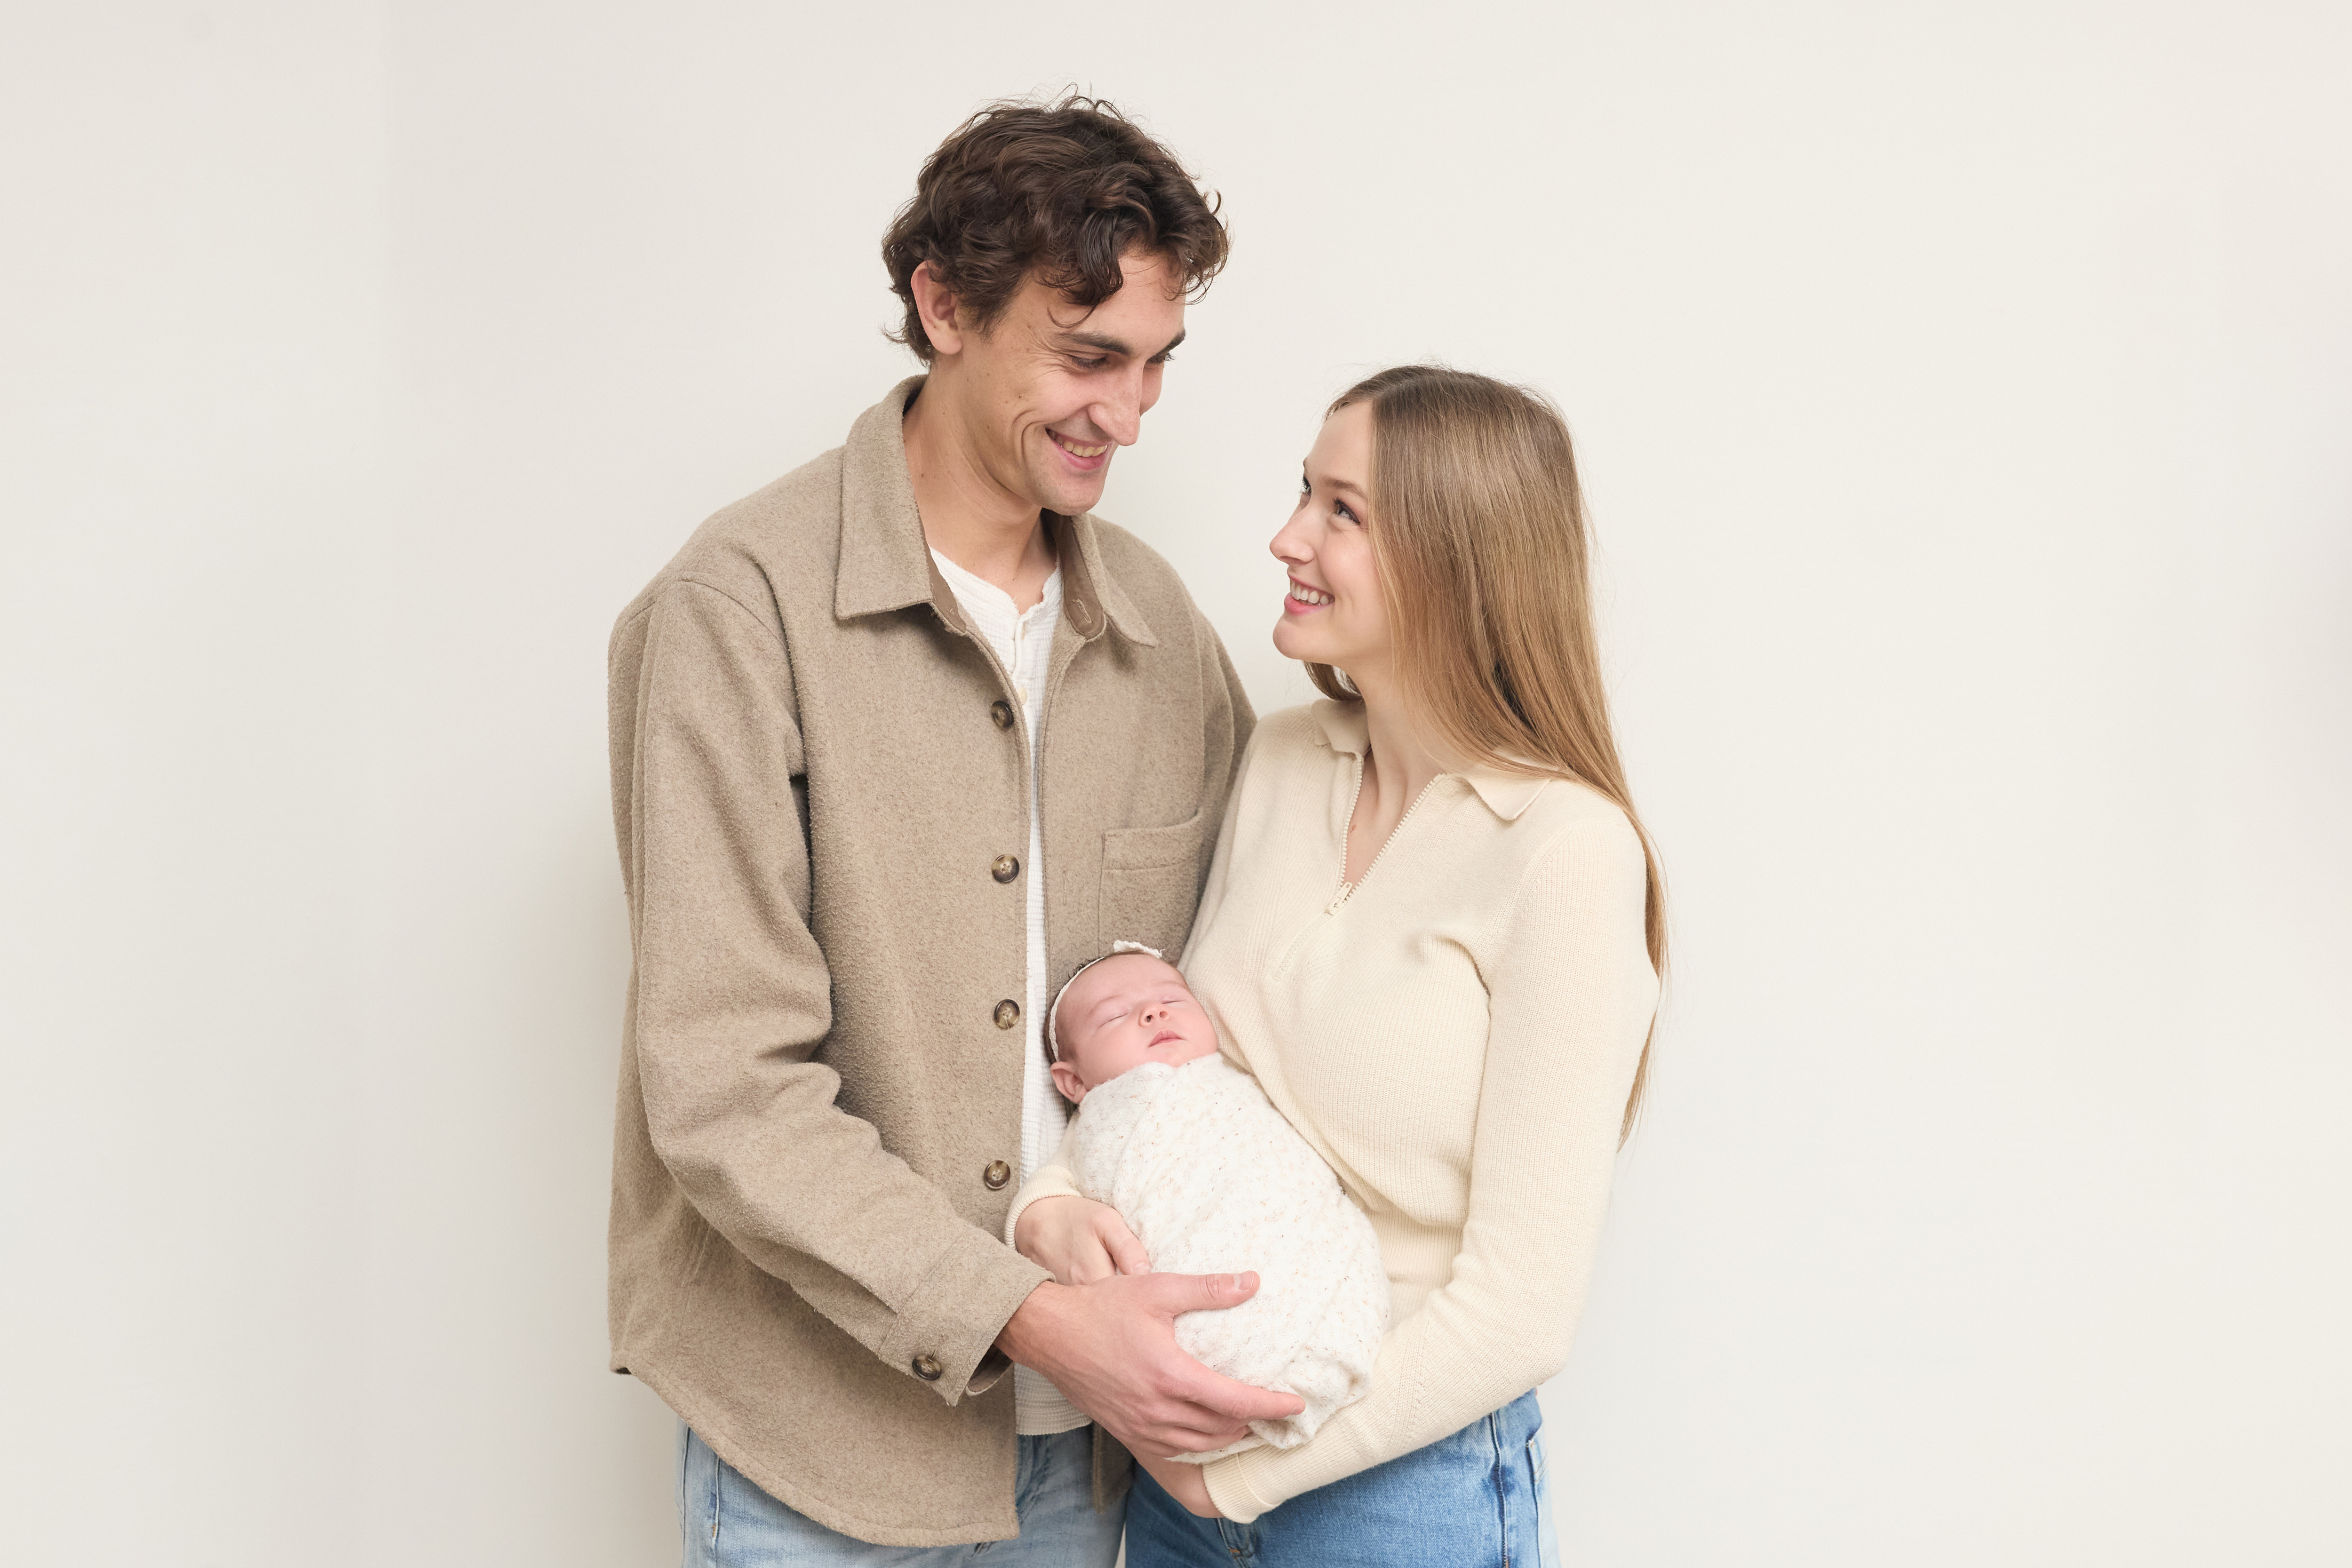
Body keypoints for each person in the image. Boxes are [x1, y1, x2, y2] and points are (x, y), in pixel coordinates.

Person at [602, 96, 1301, 1565]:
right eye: (1087, 353)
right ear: (943, 307)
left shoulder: (1164, 632)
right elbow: (725, 1088)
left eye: (1156, 364)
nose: (1126, 412)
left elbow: (1257, 976)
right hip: (825, 1460)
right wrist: (1034, 1317)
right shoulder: (737, 613)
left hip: (1107, 1464)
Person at [1015, 366, 1668, 1566]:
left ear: (1457, 558)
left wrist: (1242, 1475)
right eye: (1301, 494)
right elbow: (1182, 1085)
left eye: (1341, 512)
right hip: (1179, 1468)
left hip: (1392, 1493)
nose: (1286, 537)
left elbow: (1520, 1309)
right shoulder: (1281, 759)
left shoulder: (1566, 853)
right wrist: (1046, 1219)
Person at [1028, 947, 1389, 1459]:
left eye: (1172, 999)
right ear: (1074, 1083)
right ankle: (1231, 1362)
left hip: (1313, 1271)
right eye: (1113, 1016)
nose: (1153, 1013)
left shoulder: (1240, 1085)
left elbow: (1288, 1179)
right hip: (1184, 1342)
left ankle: (1297, 1346)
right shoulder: (1102, 1126)